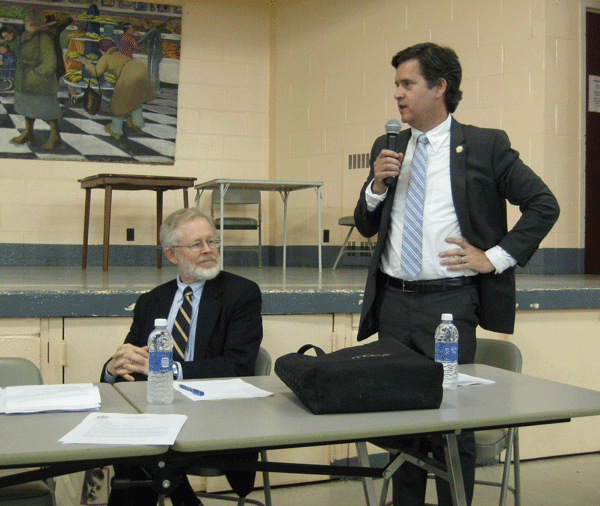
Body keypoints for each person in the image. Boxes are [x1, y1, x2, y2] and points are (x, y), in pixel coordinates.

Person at [353, 42, 560, 506]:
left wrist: (495, 256)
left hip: (449, 303)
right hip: (394, 303)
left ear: (439, 87)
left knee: (451, 422)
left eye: (407, 84)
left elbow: (544, 204)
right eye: (396, 86)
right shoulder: (388, 146)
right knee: (401, 424)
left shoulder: (485, 145)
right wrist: (375, 186)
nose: (398, 96)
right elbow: (367, 223)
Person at [101, 207, 263, 506]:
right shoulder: (151, 301)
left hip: (214, 414)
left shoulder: (241, 293)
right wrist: (113, 369)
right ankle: (185, 498)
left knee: (139, 455)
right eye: (197, 244)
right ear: (172, 255)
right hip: (159, 410)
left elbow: (237, 364)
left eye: (212, 242)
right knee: (134, 444)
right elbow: (136, 360)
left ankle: (182, 497)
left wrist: (168, 370)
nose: (209, 250)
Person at [79, 38, 154, 139]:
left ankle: (116, 130)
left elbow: (96, 72)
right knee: (137, 98)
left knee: (118, 104)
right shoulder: (120, 54)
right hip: (140, 68)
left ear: (101, 50)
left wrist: (86, 63)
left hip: (129, 73)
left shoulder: (106, 57)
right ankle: (137, 123)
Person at [10, 8, 62, 150]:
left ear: (33, 21)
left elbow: (50, 62)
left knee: (48, 110)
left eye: (26, 20)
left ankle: (55, 136)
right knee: (26, 106)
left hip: (40, 82)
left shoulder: (43, 36)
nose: (24, 22)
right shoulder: (27, 35)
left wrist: (36, 73)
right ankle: (28, 133)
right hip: (25, 78)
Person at [137, 17, 163, 95]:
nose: (144, 26)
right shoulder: (153, 31)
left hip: (154, 54)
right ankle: (155, 89)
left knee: (153, 72)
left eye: (144, 24)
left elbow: (144, 38)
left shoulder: (153, 31)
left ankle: (155, 91)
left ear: (149, 24)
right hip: (153, 54)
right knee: (153, 72)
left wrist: (134, 44)